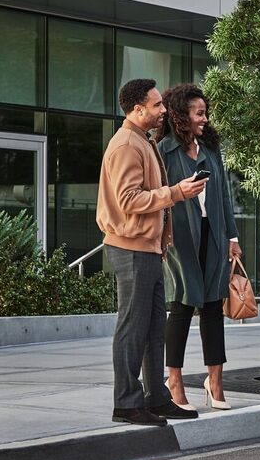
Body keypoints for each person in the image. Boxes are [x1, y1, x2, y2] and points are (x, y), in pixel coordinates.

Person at [98, 78, 207, 426]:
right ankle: (127, 404)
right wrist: (176, 193)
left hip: (147, 249)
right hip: (131, 249)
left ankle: (156, 397)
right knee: (132, 328)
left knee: (153, 328)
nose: (163, 110)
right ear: (137, 108)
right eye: (157, 104)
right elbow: (128, 200)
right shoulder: (127, 145)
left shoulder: (142, 141)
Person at [156, 84, 241, 411]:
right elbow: (161, 197)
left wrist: (232, 237)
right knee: (180, 305)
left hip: (214, 234)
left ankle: (214, 380)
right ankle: (174, 380)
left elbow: (223, 197)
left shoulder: (210, 149)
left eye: (206, 113)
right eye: (199, 113)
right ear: (181, 115)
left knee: (212, 307)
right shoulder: (164, 151)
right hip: (181, 239)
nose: (205, 119)